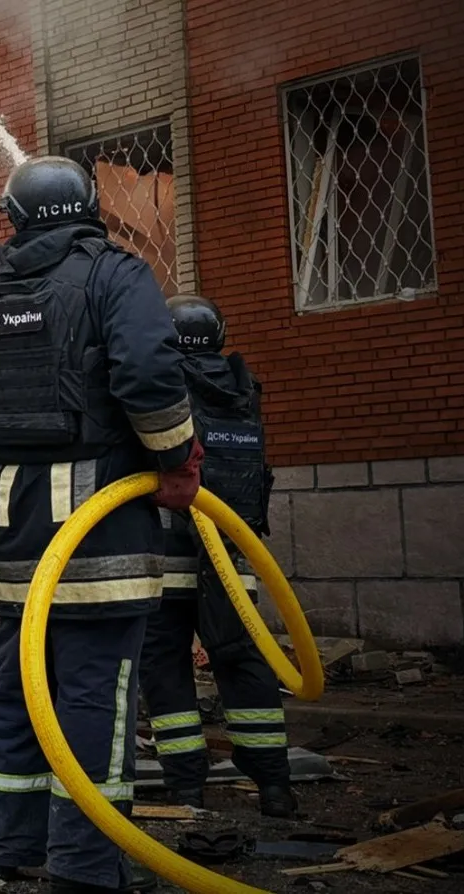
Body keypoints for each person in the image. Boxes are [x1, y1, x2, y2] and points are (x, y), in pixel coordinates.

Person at [0, 155, 203, 894]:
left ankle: (6, 841)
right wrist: (177, 460)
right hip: (100, 531)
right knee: (92, 695)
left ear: (12, 216)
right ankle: (87, 862)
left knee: (19, 686)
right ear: (86, 210)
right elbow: (148, 373)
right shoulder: (117, 277)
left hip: (17, 541)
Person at [139, 294, 296, 818]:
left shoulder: (161, 385)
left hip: (167, 555)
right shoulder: (241, 387)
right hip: (232, 556)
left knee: (165, 664)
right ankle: (274, 784)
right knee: (242, 661)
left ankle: (186, 784)